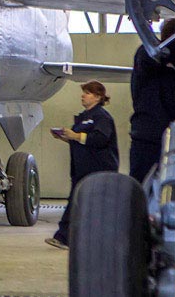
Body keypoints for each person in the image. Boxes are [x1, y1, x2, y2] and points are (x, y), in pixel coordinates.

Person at [45, 80, 119, 250]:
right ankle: (64, 238)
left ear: (98, 97)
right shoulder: (84, 117)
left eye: (87, 93)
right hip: (81, 169)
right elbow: (82, 141)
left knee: (95, 205)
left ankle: (73, 238)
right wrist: (66, 138)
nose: (83, 96)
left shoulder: (101, 117)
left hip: (98, 169)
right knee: (75, 203)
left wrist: (75, 136)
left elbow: (100, 139)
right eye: (84, 92)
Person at [129, 18, 175, 183]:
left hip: (149, 136)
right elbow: (151, 57)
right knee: (144, 185)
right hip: (150, 138)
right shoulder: (148, 55)